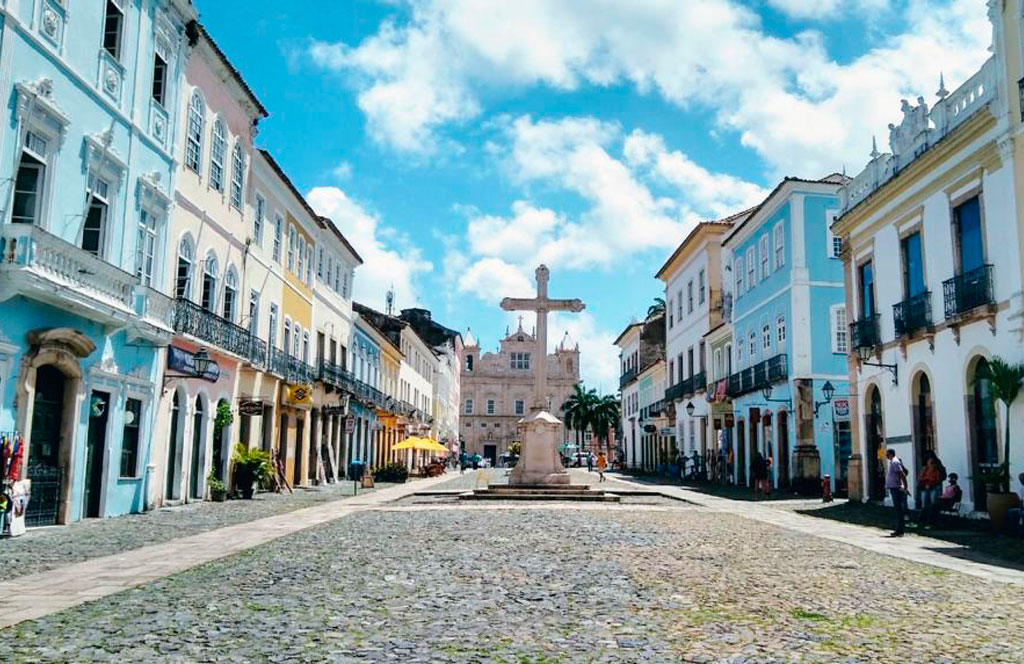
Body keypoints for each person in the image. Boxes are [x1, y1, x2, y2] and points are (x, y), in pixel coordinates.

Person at [885, 449, 909, 537]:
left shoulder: (895, 462)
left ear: (890, 454)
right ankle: (899, 529)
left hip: (896, 488)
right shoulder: (893, 462)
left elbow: (902, 474)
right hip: (894, 488)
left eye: (887, 454)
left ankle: (900, 530)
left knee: (899, 510)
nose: (886, 456)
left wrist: (905, 487)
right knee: (898, 510)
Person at [916, 452, 943, 528]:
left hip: (932, 487)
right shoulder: (925, 469)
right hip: (926, 487)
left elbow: (938, 479)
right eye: (930, 462)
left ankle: (929, 521)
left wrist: (929, 481)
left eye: (932, 462)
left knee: (932, 505)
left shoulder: (936, 470)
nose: (931, 464)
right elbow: (920, 478)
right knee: (925, 505)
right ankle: (924, 521)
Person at [1008, 472, 1024, 537]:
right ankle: (1013, 532)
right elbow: (1021, 501)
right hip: (1022, 508)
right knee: (1011, 511)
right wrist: (1020, 509)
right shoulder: (1022, 489)